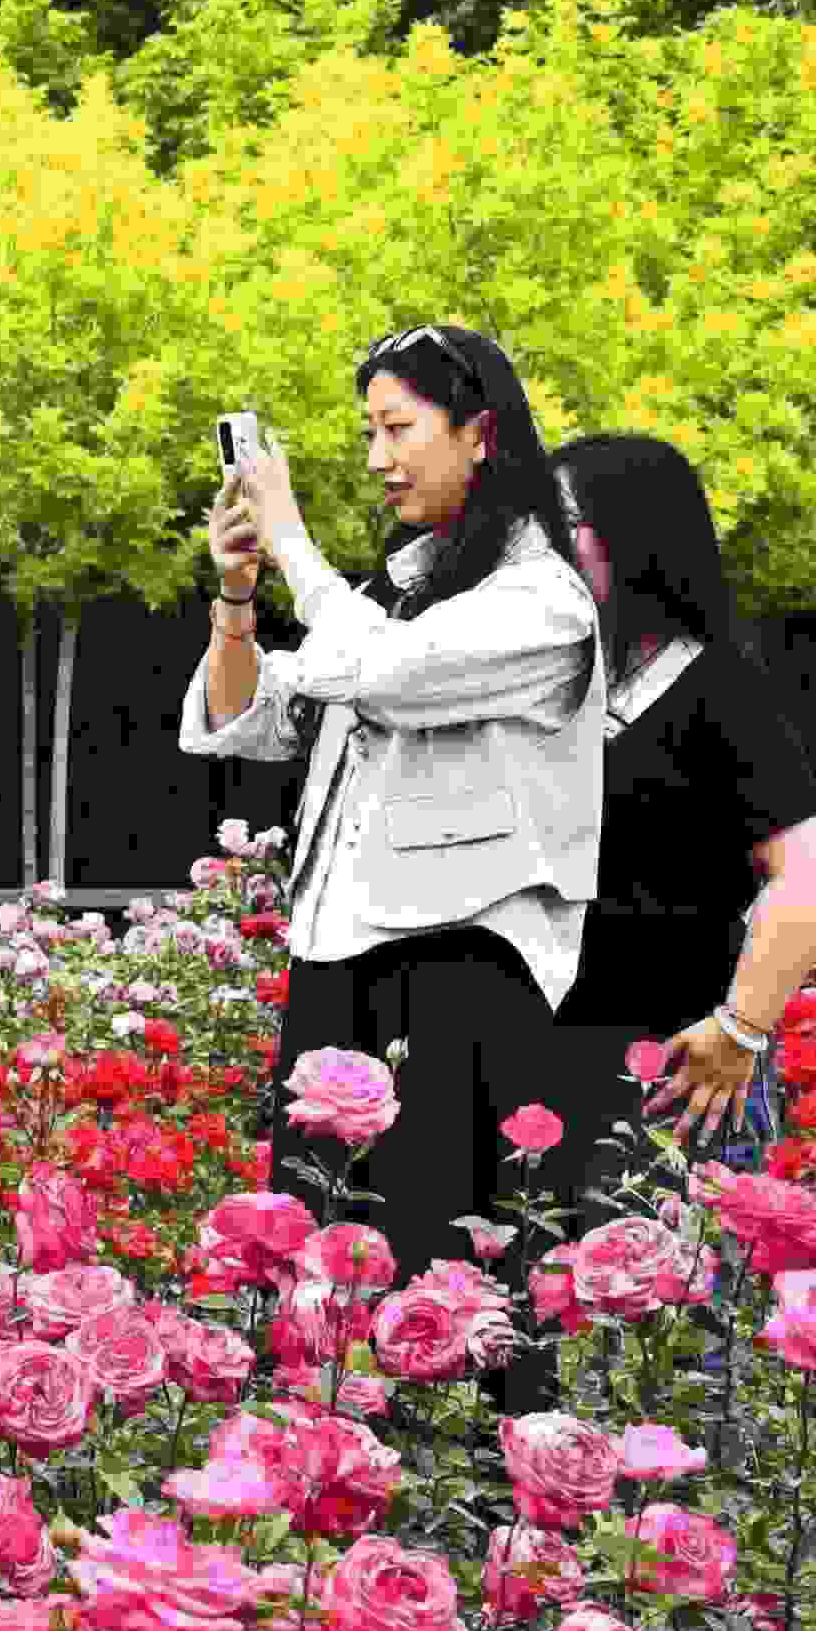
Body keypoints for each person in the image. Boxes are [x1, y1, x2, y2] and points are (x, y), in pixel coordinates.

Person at [183, 322, 609, 1417]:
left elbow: (378, 669)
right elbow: (251, 720)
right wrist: (238, 598)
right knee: (321, 1279)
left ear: (481, 433)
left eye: (397, 428)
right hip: (342, 961)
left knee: (444, 1284)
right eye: (367, 430)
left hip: (460, 971)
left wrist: (288, 539)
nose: (377, 457)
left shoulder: (543, 603)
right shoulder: (401, 593)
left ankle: (476, 1534)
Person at [526, 432, 816, 1300]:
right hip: (540, 1070)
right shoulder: (552, 685)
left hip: (677, 1082)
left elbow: (813, 865)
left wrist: (741, 1029)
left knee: (677, 1358)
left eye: (565, 526)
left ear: (634, 538)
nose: (543, 549)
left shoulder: (719, 690)